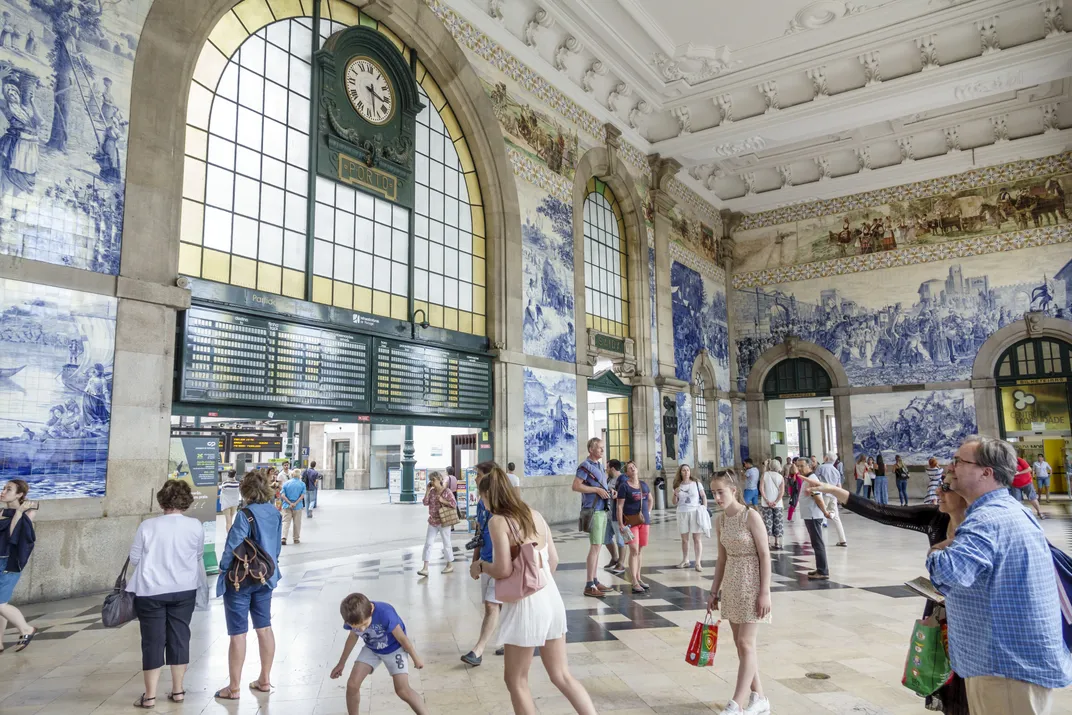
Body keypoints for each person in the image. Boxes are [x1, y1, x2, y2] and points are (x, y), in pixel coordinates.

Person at [804, 467, 970, 714]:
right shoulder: (936, 517)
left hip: (971, 613)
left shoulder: (981, 525)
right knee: (943, 675)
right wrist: (834, 491)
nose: (938, 491)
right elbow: (882, 513)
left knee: (969, 681)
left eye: (946, 487)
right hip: (941, 608)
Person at [927, 436, 1071, 714]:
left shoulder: (987, 520)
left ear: (986, 472)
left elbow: (946, 575)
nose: (951, 467)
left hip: (1004, 667)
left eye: (959, 461)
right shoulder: (1010, 510)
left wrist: (936, 551)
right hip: (1007, 661)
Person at [483, 465, 598, 715]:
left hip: (526, 604)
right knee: (561, 675)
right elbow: (553, 560)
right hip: (551, 597)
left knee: (515, 680)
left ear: (489, 496)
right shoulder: (535, 514)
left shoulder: (498, 521)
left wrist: (481, 565)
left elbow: (502, 569)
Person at [127, 479, 204, 708]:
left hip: (151, 591)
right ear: (186, 500)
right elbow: (198, 555)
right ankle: (178, 690)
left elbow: (134, 559)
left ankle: (149, 696)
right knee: (180, 637)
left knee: (152, 641)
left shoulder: (147, 526)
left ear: (162, 501)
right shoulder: (195, 525)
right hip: (184, 588)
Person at [707, 470, 772, 715]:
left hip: (753, 582)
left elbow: (765, 555)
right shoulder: (721, 520)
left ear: (733, 490)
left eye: (720, 492)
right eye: (713, 492)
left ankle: (736, 703)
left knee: (746, 642)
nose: (717, 497)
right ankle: (760, 697)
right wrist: (714, 592)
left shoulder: (750, 516)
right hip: (733, 583)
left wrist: (764, 592)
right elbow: (721, 559)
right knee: (740, 644)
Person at [214, 471, 282, 701]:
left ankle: (233, 688)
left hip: (240, 581)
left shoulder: (245, 515)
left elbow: (232, 545)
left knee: (238, 634)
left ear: (246, 490)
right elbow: (277, 549)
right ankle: (264, 679)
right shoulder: (275, 512)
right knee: (264, 627)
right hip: (266, 577)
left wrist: (223, 568)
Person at [330, 593, 429, 715]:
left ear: (371, 610)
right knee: (352, 685)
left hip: (395, 648)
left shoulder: (385, 613)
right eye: (357, 627)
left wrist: (416, 658)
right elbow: (352, 637)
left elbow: (402, 639)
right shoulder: (352, 616)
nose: (362, 630)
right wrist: (341, 663)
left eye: (364, 625)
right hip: (372, 648)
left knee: (402, 690)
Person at [462, 463, 505, 666]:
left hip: (500, 562)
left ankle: (478, 651)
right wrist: (475, 562)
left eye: (478, 475)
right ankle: (509, 639)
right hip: (485, 561)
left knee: (491, 604)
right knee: (498, 605)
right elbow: (479, 534)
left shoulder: (503, 506)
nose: (475, 479)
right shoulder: (481, 504)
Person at [572, 438, 617, 598]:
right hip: (594, 510)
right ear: (591, 449)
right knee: (595, 547)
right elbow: (576, 486)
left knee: (598, 547)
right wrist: (596, 491)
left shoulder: (599, 466)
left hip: (602, 509)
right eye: (599, 448)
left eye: (603, 448)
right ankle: (589, 584)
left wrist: (609, 492)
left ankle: (595, 580)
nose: (602, 451)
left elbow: (601, 486)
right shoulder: (586, 466)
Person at [0, 479, 37, 653]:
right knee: (2, 603)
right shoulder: (1, 511)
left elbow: (13, 536)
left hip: (10, 562)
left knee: (0, 604)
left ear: (19, 494)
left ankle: (26, 629)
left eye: (9, 489)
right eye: (4, 488)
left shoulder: (28, 512)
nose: (3, 491)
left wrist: (19, 512)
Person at [616, 461, 651, 593]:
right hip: (630, 522)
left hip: (644, 521)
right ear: (627, 473)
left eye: (634, 467)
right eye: (630, 468)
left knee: (640, 550)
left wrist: (648, 513)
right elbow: (619, 506)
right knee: (634, 549)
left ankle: (638, 577)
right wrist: (620, 524)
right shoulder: (624, 487)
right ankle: (634, 581)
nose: (633, 469)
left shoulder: (643, 485)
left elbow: (650, 499)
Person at [796, 458, 833, 580]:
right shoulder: (808, 479)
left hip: (813, 515)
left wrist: (825, 512)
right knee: (815, 543)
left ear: (810, 466)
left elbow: (817, 498)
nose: (800, 469)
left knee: (818, 543)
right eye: (798, 466)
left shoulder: (812, 479)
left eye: (802, 466)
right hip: (809, 515)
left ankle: (823, 571)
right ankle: (820, 568)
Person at [418, 472, 456, 577]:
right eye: (430, 480)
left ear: (438, 479)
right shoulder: (432, 492)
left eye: (433, 480)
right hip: (433, 521)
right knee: (428, 543)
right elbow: (425, 502)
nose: (432, 482)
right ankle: (425, 567)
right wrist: (427, 490)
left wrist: (443, 500)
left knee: (446, 543)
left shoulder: (447, 491)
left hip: (444, 521)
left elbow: (453, 504)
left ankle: (449, 564)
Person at [672, 463, 707, 570]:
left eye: (688, 470)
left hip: (695, 511)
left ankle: (697, 562)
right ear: (680, 472)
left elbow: (703, 496)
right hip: (682, 512)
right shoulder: (677, 485)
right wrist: (675, 494)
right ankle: (685, 560)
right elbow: (674, 502)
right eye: (684, 470)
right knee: (685, 539)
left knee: (697, 538)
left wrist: (704, 508)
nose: (686, 472)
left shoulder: (696, 483)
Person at [815, 452, 847, 547]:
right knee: (836, 518)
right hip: (833, 495)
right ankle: (842, 540)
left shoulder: (821, 468)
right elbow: (839, 486)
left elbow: (815, 480)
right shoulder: (836, 470)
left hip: (824, 495)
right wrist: (840, 497)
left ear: (826, 459)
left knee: (819, 516)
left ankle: (818, 540)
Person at [603, 459, 626, 577]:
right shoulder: (609, 479)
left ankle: (621, 563)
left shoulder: (623, 479)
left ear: (612, 468)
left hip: (618, 515)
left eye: (607, 468)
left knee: (620, 540)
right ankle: (615, 558)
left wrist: (615, 494)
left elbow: (625, 496)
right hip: (609, 514)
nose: (606, 470)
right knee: (605, 538)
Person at [759, 459, 785, 550]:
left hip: (766, 503)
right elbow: (782, 492)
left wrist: (766, 500)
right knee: (778, 522)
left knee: (767, 522)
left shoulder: (765, 475)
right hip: (777, 504)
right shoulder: (780, 477)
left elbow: (761, 488)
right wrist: (776, 501)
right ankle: (777, 542)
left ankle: (768, 542)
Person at [1011, 455, 1046, 519]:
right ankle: (1020, 515)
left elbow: (1029, 469)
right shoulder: (1004, 463)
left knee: (1032, 498)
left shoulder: (1019, 460)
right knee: (1017, 501)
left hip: (1026, 482)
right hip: (1015, 485)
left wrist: (1018, 473)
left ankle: (1039, 512)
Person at [280, 468, 306, 545]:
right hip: (297, 506)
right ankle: (296, 538)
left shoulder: (286, 483)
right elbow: (302, 496)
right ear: (299, 475)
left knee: (286, 522)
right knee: (297, 522)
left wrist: (289, 503)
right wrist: (295, 503)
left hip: (286, 505)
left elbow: (283, 495)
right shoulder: (302, 484)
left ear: (292, 475)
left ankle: (284, 537)